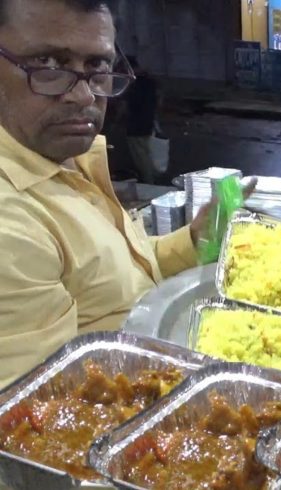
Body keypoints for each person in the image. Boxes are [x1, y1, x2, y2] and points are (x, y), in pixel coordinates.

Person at [0, 0, 253, 387]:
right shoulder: (9, 224)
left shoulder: (68, 159)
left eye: (98, 68)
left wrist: (193, 239)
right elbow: (43, 414)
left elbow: (118, 273)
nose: (84, 96)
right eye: (49, 65)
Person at [124, 55, 162, 184]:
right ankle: (152, 179)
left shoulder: (132, 84)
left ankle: (148, 182)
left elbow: (125, 106)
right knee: (149, 154)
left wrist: (116, 121)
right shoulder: (151, 81)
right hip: (148, 123)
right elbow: (159, 100)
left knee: (141, 158)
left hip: (135, 126)